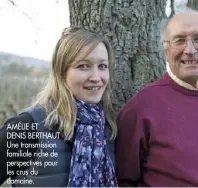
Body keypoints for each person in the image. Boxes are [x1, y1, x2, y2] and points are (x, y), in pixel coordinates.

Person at [115, 10, 198, 187]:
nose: (190, 50)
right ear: (166, 50)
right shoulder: (140, 109)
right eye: (179, 41)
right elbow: (123, 180)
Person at [0, 27, 118, 187]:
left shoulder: (107, 128)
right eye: (83, 66)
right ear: (61, 72)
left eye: (102, 66)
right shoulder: (27, 127)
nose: (96, 77)